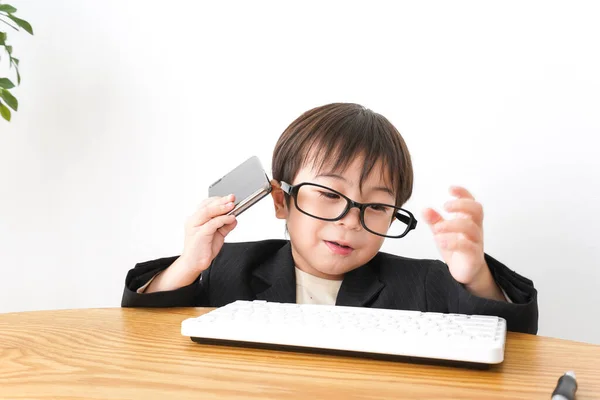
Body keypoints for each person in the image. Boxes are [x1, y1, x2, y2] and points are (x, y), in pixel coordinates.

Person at [121, 103, 538, 334]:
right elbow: (140, 333)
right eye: (328, 194)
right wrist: (188, 265)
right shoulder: (225, 268)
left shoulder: (427, 285)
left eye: (376, 206)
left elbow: (514, 344)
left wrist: (476, 277)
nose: (350, 222)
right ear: (281, 201)